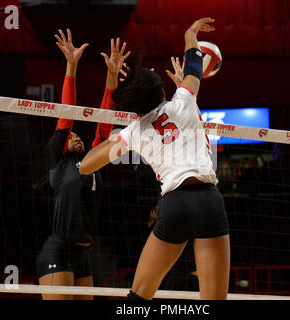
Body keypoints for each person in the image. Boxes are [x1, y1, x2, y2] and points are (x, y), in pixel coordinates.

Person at [79, 17, 230, 300]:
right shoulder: (184, 100)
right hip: (208, 201)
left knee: (139, 296)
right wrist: (189, 33)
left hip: (174, 205)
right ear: (163, 91)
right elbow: (194, 62)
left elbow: (86, 165)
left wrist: (119, 130)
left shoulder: (134, 131)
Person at [36, 29, 130, 300]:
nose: (76, 137)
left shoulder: (93, 160)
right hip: (58, 249)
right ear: (62, 143)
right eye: (72, 136)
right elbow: (67, 114)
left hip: (84, 253)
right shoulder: (59, 162)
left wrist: (112, 75)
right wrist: (72, 64)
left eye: (79, 136)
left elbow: (105, 119)